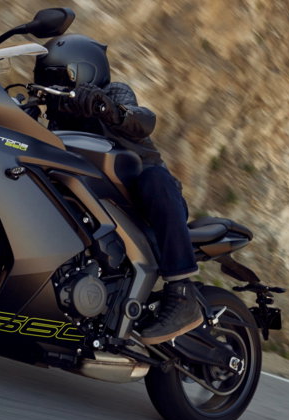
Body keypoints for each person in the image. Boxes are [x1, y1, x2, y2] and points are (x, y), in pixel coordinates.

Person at [33, 34, 203, 344]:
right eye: (47, 78)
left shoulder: (114, 92)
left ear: (86, 70)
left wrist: (108, 108)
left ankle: (182, 294)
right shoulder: (57, 115)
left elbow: (143, 120)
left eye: (60, 77)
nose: (54, 86)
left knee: (155, 178)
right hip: (98, 199)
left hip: (146, 198)